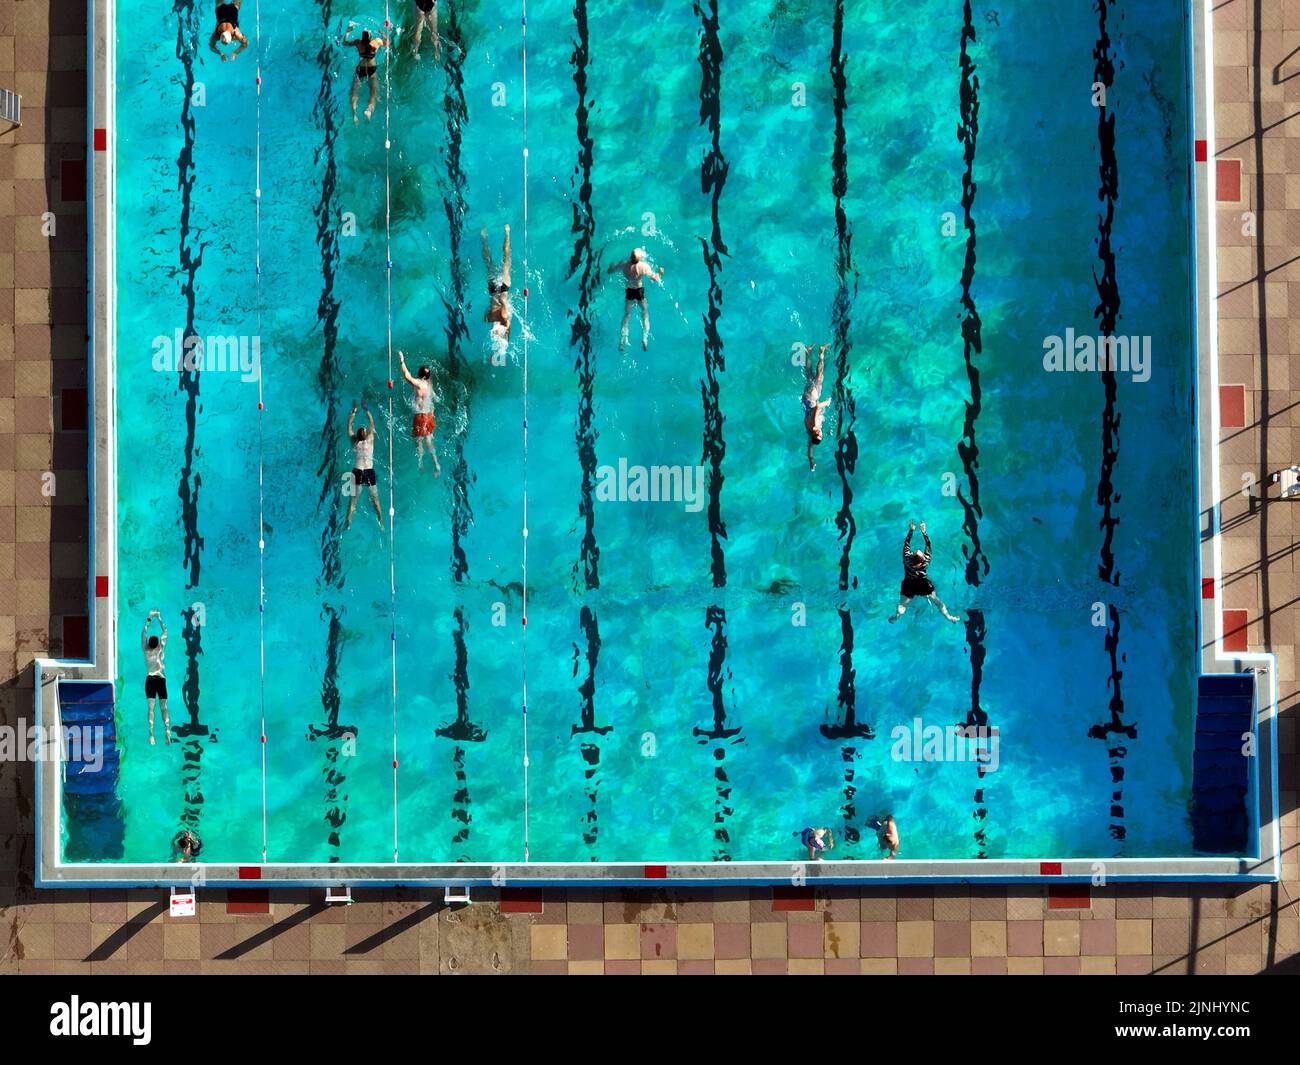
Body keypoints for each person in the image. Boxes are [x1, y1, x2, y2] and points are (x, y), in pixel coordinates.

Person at [889, 521, 961, 624]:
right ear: (922, 558)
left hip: (909, 584)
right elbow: (928, 544)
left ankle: (896, 617)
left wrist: (911, 530)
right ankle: (949, 617)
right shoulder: (926, 562)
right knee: (936, 600)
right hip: (923, 584)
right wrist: (924, 531)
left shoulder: (907, 558)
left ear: (912, 555)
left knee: (902, 605)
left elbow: (906, 543)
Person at [607, 248, 664, 352]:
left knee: (627, 315)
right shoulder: (644, 266)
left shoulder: (624, 264)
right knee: (645, 313)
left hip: (629, 292)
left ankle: (622, 341)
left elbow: (610, 271)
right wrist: (660, 273)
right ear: (640, 258)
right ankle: (645, 338)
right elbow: (655, 278)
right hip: (639, 291)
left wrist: (611, 266)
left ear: (630, 257)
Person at [397, 350, 441, 476]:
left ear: (420, 375)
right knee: (429, 441)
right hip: (430, 415)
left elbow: (407, 376)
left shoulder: (419, 384)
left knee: (418, 441)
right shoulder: (429, 384)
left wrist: (402, 360)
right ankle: (436, 464)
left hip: (420, 417)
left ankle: (421, 464)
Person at [347, 401, 384, 530]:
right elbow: (372, 423)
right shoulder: (370, 440)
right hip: (368, 472)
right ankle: (381, 521)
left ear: (357, 436)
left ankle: (348, 522)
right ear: (366, 434)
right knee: (375, 499)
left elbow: (349, 426)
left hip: (357, 471)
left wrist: (354, 411)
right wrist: (366, 409)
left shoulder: (353, 442)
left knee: (353, 501)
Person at [481, 225, 513, 359]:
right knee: (490, 263)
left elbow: (507, 328)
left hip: (502, 288)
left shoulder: (501, 319)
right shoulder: (492, 318)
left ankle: (506, 233)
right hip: (494, 291)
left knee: (505, 260)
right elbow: (497, 307)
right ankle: (484, 237)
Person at [344, 26, 386, 123]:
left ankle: (354, 113)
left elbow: (345, 43)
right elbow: (388, 44)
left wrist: (347, 32)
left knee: (354, 91)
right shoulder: (376, 42)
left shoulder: (358, 43)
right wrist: (383, 33)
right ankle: (369, 110)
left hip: (360, 69)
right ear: (370, 36)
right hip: (372, 69)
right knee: (374, 91)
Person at [801, 342, 832, 470]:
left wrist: (828, 402)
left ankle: (821, 352)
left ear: (816, 433)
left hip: (813, 399)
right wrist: (811, 461)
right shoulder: (810, 434)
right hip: (806, 401)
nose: (820, 433)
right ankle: (808, 353)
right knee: (809, 377)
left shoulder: (814, 425)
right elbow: (810, 449)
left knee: (819, 376)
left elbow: (818, 407)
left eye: (819, 434)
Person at [142, 610, 171, 746]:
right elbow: (165, 632)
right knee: (164, 708)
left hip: (150, 680)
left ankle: (151, 734)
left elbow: (143, 633)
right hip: (161, 679)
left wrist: (149, 618)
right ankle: (167, 730)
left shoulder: (146, 650)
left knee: (151, 709)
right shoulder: (161, 649)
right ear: (158, 643)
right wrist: (159, 617)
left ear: (148, 643)